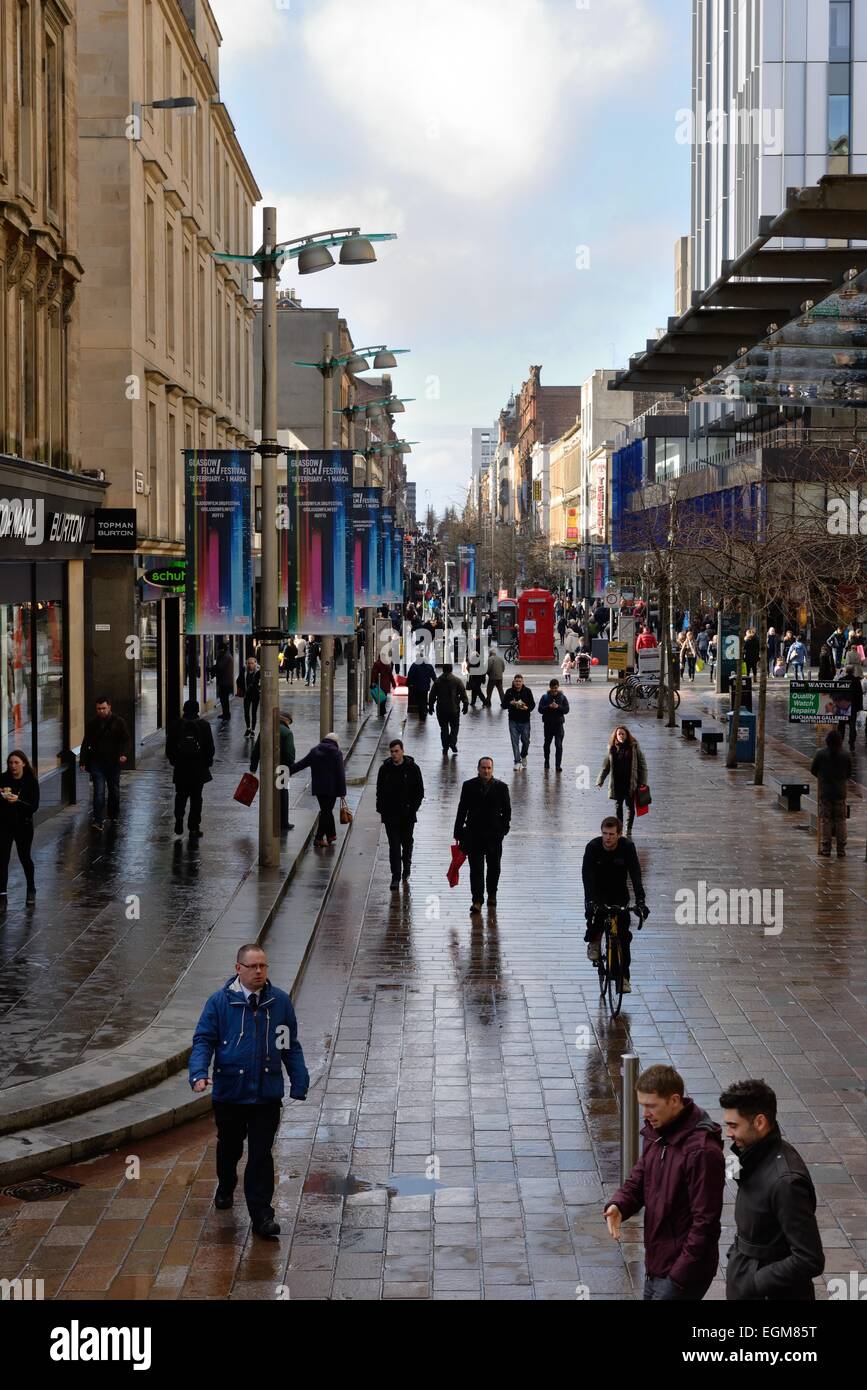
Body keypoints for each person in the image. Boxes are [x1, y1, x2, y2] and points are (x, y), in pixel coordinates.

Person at [189, 943, 309, 1238]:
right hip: (230, 1092)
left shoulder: (279, 1002)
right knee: (230, 1147)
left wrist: (299, 1078)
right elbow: (204, 1040)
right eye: (253, 966)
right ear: (238, 969)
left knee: (260, 1155)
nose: (259, 972)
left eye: (263, 966)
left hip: (265, 1095)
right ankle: (226, 1184)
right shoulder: (219, 1003)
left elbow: (289, 1044)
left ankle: (262, 1216)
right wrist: (198, 1073)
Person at [604, 1064, 724, 1300]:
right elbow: (640, 1177)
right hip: (658, 1263)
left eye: (651, 1106)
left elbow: (705, 1224)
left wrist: (677, 1278)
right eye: (642, 1106)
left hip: (682, 1273)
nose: (645, 1114)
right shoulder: (658, 1131)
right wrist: (619, 1204)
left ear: (675, 1100)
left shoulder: (701, 1152)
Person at [720, 1078, 824, 1301]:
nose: (728, 1133)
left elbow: (809, 1258)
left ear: (759, 1122)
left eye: (733, 1125)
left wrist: (754, 1282)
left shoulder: (786, 1183)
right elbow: (739, 1178)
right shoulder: (752, 1154)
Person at [582, 815, 648, 990]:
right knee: (595, 916)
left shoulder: (627, 847)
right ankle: (594, 941)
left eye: (611, 834)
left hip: (619, 894)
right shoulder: (593, 847)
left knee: (623, 937)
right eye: (605, 833)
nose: (607, 838)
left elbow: (635, 874)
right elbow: (587, 877)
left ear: (619, 834)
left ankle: (623, 978)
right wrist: (590, 900)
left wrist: (640, 900)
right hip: (597, 892)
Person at [453, 756, 511, 914]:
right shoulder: (469, 786)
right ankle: (477, 900)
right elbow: (462, 809)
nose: (486, 771)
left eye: (489, 768)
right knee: (476, 869)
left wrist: (503, 830)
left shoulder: (501, 787)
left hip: (494, 836)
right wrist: (458, 830)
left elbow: (507, 812)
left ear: (492, 769)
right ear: (478, 769)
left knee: (494, 867)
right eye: (483, 768)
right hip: (474, 835)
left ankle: (492, 893)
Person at [376, 738, 425, 890]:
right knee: (394, 846)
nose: (394, 754)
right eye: (391, 752)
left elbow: (419, 791)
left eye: (396, 751)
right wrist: (381, 808)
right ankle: (395, 876)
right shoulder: (385, 769)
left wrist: (412, 808)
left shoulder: (413, 768)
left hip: (407, 815)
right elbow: (380, 790)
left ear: (402, 751)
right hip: (390, 815)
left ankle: (407, 868)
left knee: (406, 843)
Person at [165, 699, 215, 840]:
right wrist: (207, 763)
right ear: (197, 710)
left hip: (181, 768)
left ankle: (179, 818)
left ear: (184, 709)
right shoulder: (204, 725)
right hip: (198, 769)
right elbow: (210, 748)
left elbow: (169, 748)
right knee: (196, 798)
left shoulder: (176, 725)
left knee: (180, 795)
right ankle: (194, 827)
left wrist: (174, 761)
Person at [80, 696, 130, 832]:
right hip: (97, 762)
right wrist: (83, 760)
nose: (101, 711)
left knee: (114, 790)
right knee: (99, 792)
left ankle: (113, 814)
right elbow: (86, 742)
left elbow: (125, 739)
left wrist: (123, 754)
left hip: (113, 762)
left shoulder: (118, 722)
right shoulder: (92, 724)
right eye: (98, 709)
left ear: (109, 707)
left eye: (103, 708)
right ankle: (98, 820)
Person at [289, 732, 346, 847]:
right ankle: (319, 838)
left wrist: (287, 771)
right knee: (326, 812)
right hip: (332, 788)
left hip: (319, 788)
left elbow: (301, 764)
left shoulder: (314, 751)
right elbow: (340, 773)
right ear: (335, 742)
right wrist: (342, 792)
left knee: (326, 810)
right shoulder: (336, 753)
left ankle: (331, 835)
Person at [0, 750, 39, 905]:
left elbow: (33, 806)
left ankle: (31, 888)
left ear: (23, 763)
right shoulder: (3, 779)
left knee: (25, 857)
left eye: (16, 762)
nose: (13, 766)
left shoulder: (31, 781)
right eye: (10, 763)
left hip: (23, 825)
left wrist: (18, 801)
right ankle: (2, 895)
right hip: (4, 825)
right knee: (2, 859)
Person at [596, 725, 648, 838]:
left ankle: (628, 829)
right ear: (615, 735)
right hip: (617, 783)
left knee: (630, 806)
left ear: (627, 735)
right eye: (619, 734)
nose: (621, 736)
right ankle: (619, 830)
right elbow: (606, 766)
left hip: (630, 782)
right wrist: (600, 780)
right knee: (618, 806)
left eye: (623, 734)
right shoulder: (611, 748)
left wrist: (643, 781)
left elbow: (642, 764)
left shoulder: (634, 746)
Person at [250, 712, 295, 831]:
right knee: (283, 794)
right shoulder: (287, 733)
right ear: (286, 721)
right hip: (282, 768)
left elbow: (256, 751)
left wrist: (253, 768)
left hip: (267, 767)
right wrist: (291, 767)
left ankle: (267, 818)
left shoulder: (265, 729)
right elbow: (290, 755)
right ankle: (283, 822)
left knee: (267, 793)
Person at [810, 729, 851, 858]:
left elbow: (813, 770)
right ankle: (841, 849)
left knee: (825, 820)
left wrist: (822, 776)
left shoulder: (820, 754)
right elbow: (849, 774)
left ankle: (826, 848)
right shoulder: (846, 755)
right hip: (840, 793)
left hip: (825, 792)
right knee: (841, 820)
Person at [429, 663, 469, 756]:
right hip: (454, 709)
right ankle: (452, 742)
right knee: (455, 727)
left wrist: (430, 706)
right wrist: (465, 704)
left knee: (444, 729)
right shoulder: (457, 681)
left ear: (443, 670)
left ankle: (445, 747)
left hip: (441, 709)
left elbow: (432, 695)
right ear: (451, 670)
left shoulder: (438, 681)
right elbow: (463, 693)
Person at [503, 674, 536, 770]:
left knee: (526, 741)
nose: (518, 683)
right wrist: (510, 703)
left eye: (519, 681)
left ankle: (524, 754)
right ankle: (517, 761)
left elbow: (532, 704)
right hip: (513, 720)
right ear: (513, 682)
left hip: (525, 720)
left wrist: (527, 708)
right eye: (516, 681)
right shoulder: (509, 692)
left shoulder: (527, 691)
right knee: (514, 741)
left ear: (522, 682)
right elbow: (503, 705)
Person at [538, 679, 569, 772]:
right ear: (550, 687)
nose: (554, 690)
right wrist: (549, 707)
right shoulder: (545, 697)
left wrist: (558, 707)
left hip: (559, 725)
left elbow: (566, 710)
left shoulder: (563, 697)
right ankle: (546, 761)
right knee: (547, 744)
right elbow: (540, 710)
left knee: (558, 745)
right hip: (548, 725)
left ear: (558, 687)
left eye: (555, 688)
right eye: (552, 688)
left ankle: (558, 765)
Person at [834, 661, 864, 750]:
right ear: (853, 671)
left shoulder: (841, 680)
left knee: (841, 725)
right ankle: (851, 742)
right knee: (852, 725)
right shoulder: (856, 681)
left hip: (842, 706)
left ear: (846, 671)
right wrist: (860, 706)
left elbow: (836, 694)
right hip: (853, 706)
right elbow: (860, 694)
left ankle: (840, 741)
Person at [406, 653, 436, 719]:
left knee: (419, 700)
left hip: (417, 687)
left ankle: (422, 713)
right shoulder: (429, 666)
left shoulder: (414, 665)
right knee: (424, 699)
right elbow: (433, 676)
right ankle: (424, 711)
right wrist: (437, 683)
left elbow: (410, 675)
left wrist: (408, 683)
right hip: (425, 687)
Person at [213, 644, 235, 721]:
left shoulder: (225, 656)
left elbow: (220, 667)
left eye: (219, 650)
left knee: (224, 699)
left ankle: (226, 714)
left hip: (225, 682)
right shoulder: (226, 655)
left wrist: (212, 668)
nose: (218, 651)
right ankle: (225, 713)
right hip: (225, 681)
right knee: (224, 699)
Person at [371, 651, 397, 719]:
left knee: (380, 699)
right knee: (383, 698)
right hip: (385, 685)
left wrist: (372, 682)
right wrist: (394, 684)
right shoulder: (387, 664)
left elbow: (374, 674)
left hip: (379, 685)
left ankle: (382, 711)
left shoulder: (377, 664)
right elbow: (390, 675)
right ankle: (382, 711)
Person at [240, 656, 261, 737]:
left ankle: (253, 730)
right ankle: (248, 728)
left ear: (255, 664)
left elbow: (261, 682)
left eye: (252, 663)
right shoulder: (244, 670)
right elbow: (240, 680)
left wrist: (258, 688)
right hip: (247, 694)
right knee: (246, 712)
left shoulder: (259, 671)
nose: (250, 665)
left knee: (253, 713)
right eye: (249, 663)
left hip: (255, 695)